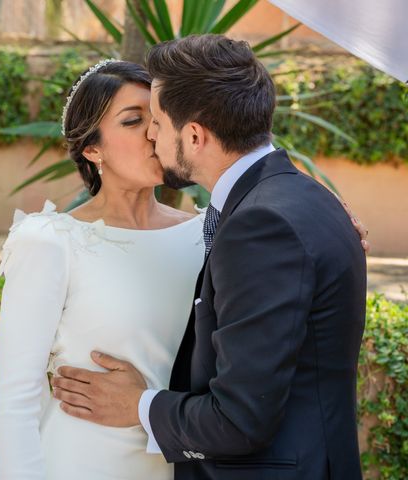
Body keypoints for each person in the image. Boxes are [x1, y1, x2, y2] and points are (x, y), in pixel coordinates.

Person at [52, 35, 368, 480]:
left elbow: (240, 419)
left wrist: (138, 405)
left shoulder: (261, 225)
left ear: (195, 136)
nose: (151, 136)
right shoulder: (305, 200)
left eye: (158, 122)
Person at [0, 60, 205, 480]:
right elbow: (16, 397)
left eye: (159, 119)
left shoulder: (206, 235)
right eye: (132, 121)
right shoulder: (51, 241)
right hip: (77, 462)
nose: (152, 133)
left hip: (181, 464)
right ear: (92, 149)